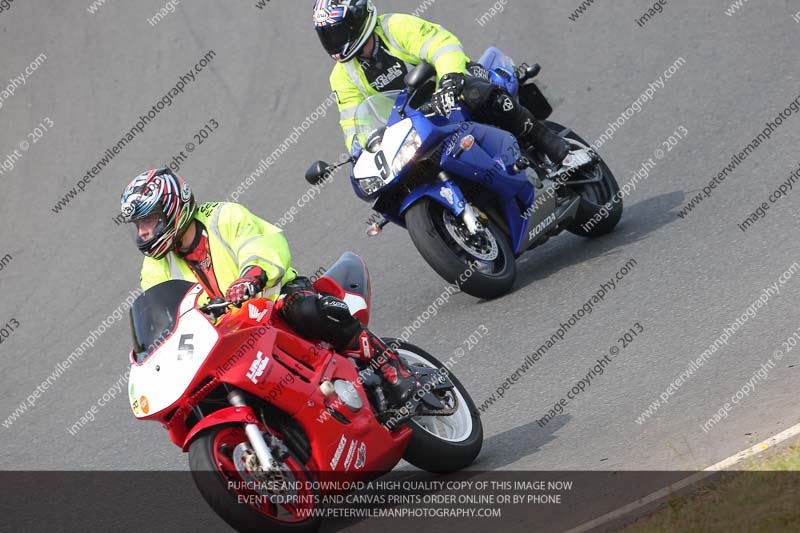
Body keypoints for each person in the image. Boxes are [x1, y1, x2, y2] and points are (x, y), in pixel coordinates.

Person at [120, 168, 418, 405]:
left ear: (174, 209)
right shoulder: (154, 268)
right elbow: (164, 315)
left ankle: (390, 365)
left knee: (304, 310)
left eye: (150, 221)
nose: (144, 233)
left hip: (272, 298)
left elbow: (263, 245)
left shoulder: (225, 216)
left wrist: (251, 276)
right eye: (139, 226)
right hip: (226, 336)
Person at [313, 0, 592, 175]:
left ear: (357, 20)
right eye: (327, 35)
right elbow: (352, 121)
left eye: (337, 31)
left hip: (451, 85)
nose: (333, 41)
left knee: (480, 94)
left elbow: (441, 44)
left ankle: (561, 152)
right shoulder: (342, 76)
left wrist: (448, 79)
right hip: (415, 122)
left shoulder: (395, 27)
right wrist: (360, 152)